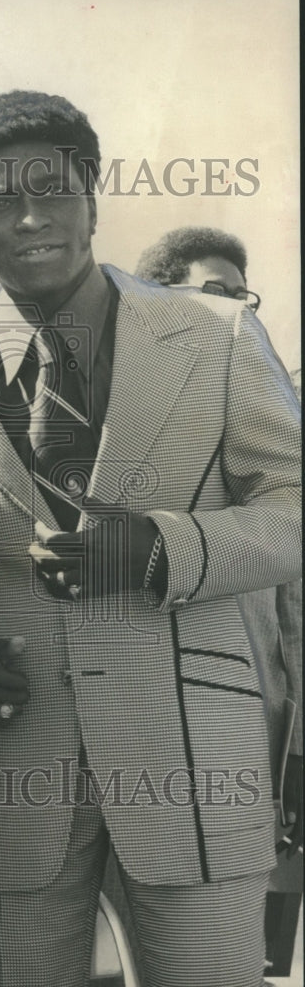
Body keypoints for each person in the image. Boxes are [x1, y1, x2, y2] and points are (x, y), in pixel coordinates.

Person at [0, 91, 301, 987]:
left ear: (93, 197)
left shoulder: (218, 335)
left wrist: (163, 549)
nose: (29, 218)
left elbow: (293, 510)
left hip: (193, 766)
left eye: (53, 190)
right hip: (12, 764)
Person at [136, 226, 302, 851]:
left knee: (256, 938)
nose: (235, 307)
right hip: (165, 733)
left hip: (268, 725)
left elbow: (289, 607)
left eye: (243, 294)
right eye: (214, 291)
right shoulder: (137, 414)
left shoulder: (267, 412)